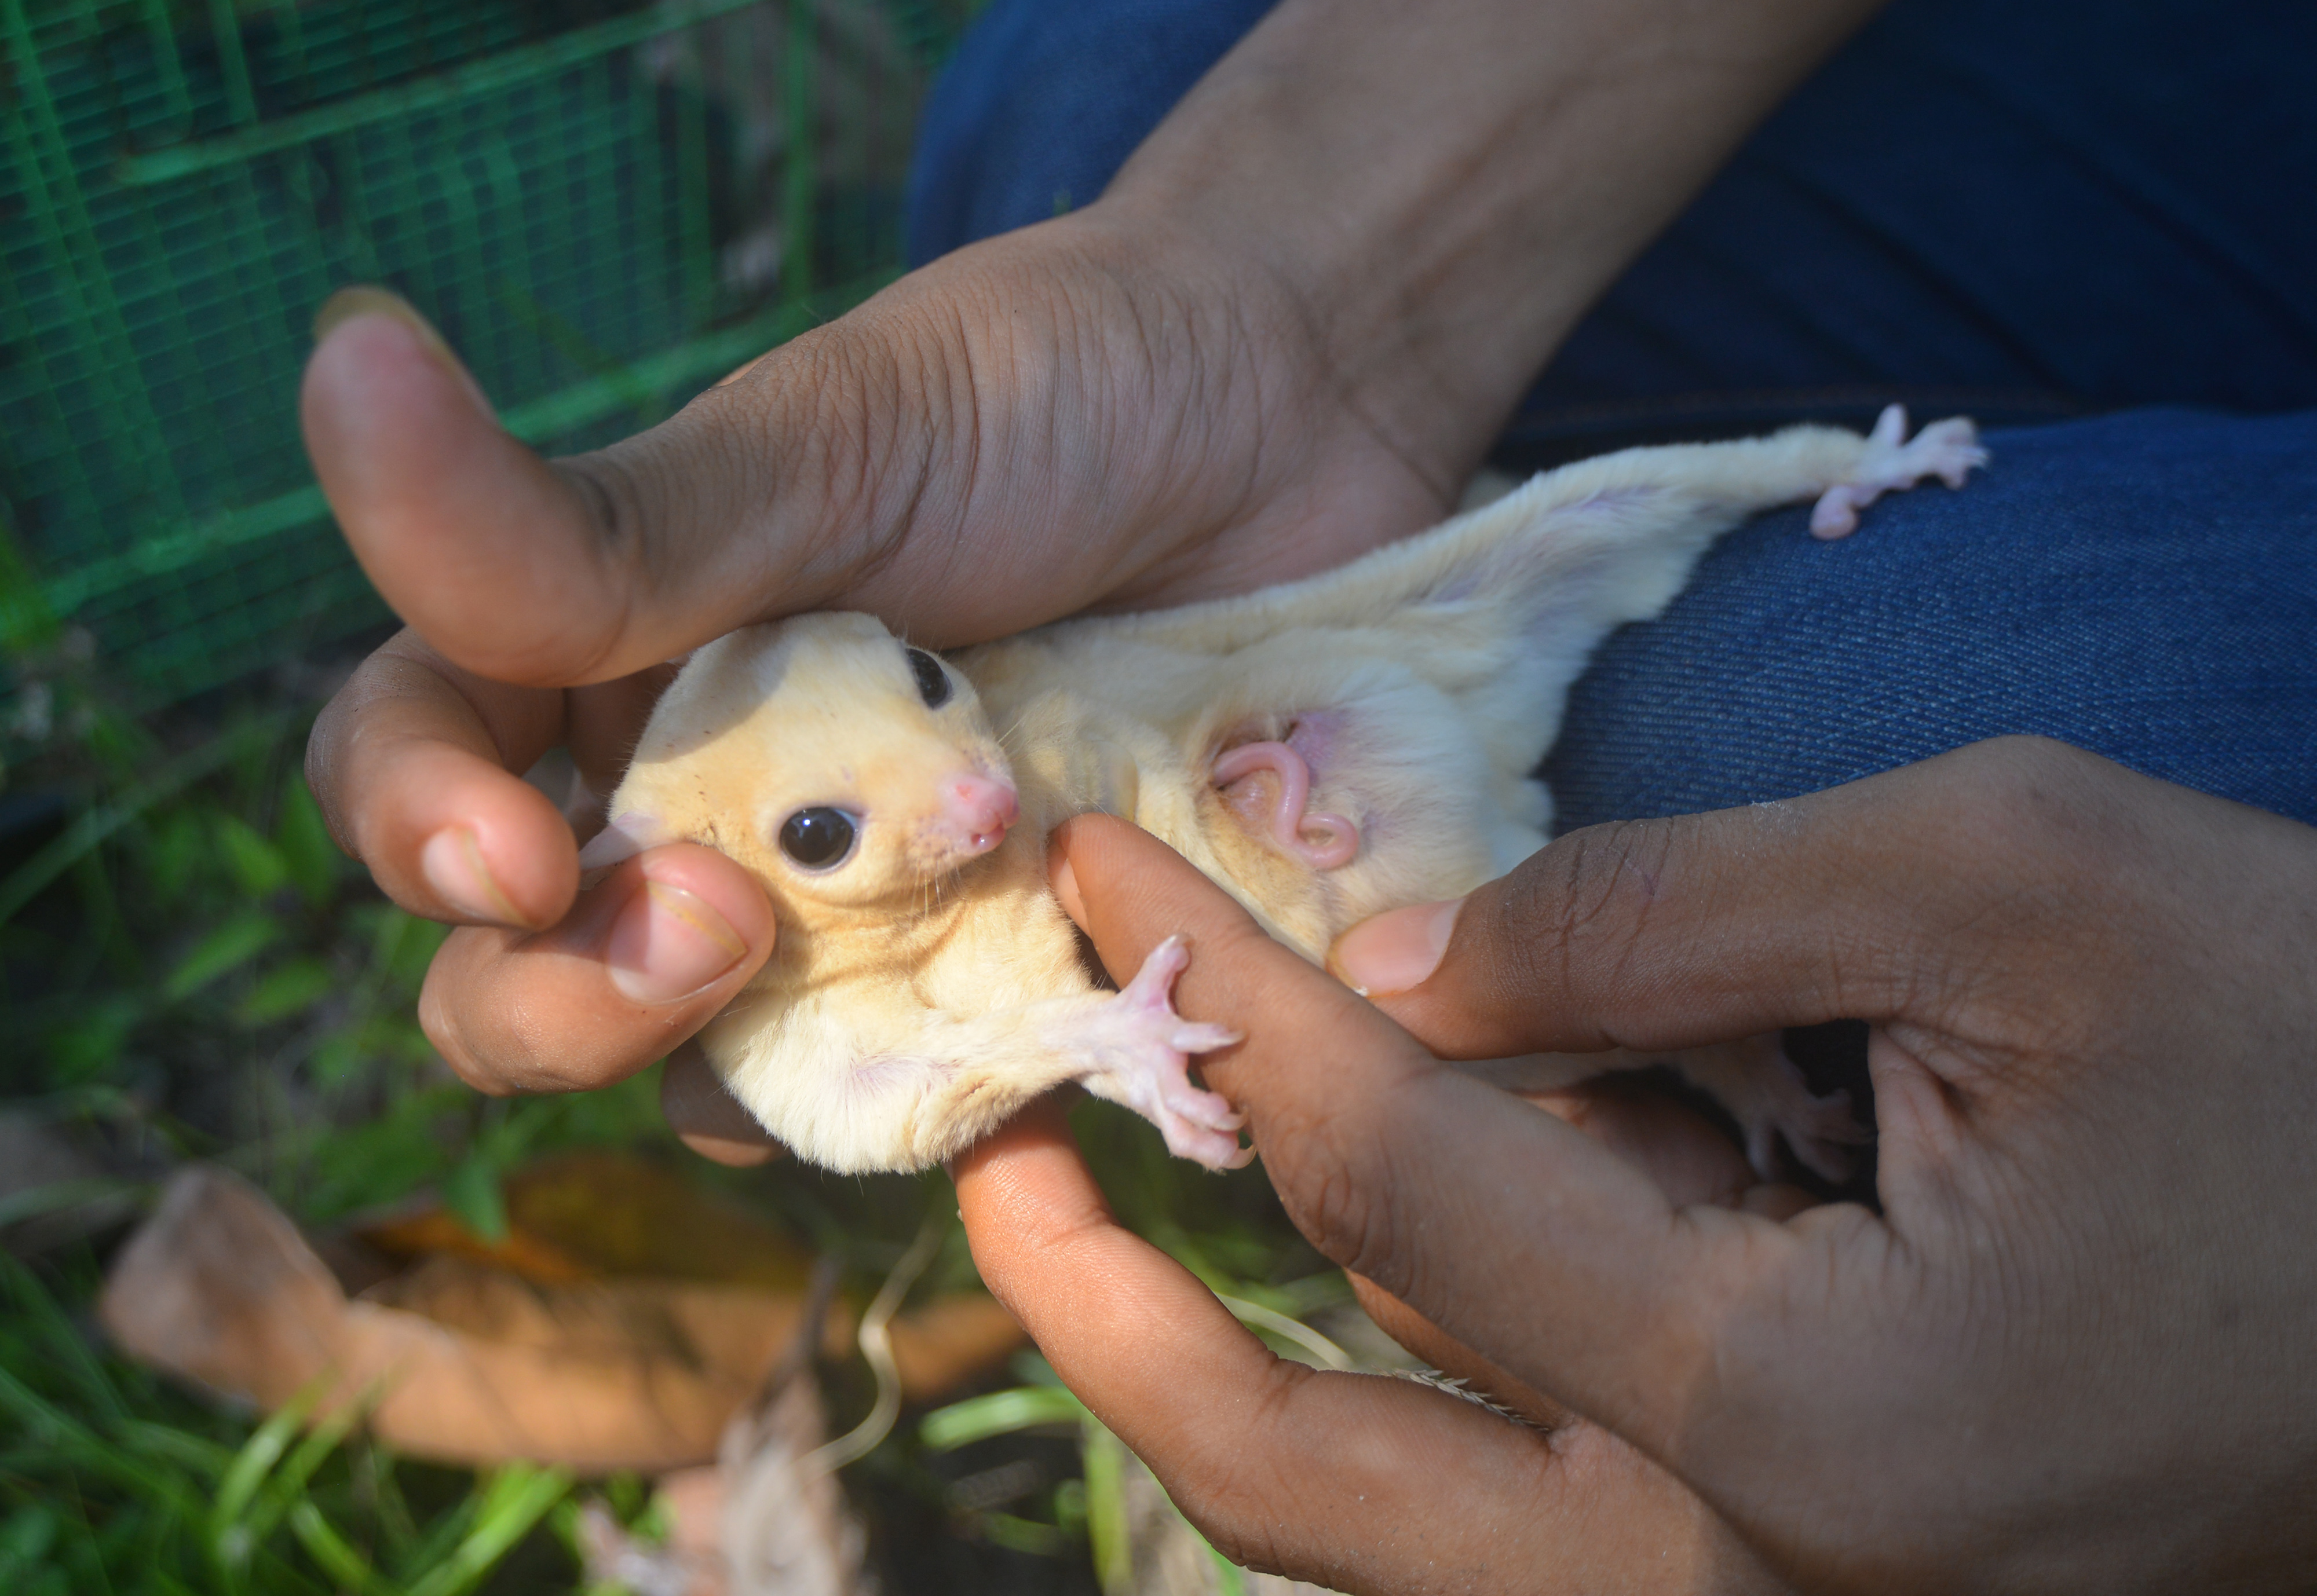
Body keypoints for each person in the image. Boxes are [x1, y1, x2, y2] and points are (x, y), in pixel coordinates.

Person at [298, 0, 2317, 1587]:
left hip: (1369, 737)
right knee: (1071, 116)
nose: (963, 787)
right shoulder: (806, 940)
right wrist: (1293, 286)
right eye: (833, 827)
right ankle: (1742, 1058)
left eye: (925, 686)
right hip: (1345, 798)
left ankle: (1820, 489)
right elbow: (870, 1087)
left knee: (1726, 747)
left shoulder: (980, 755)